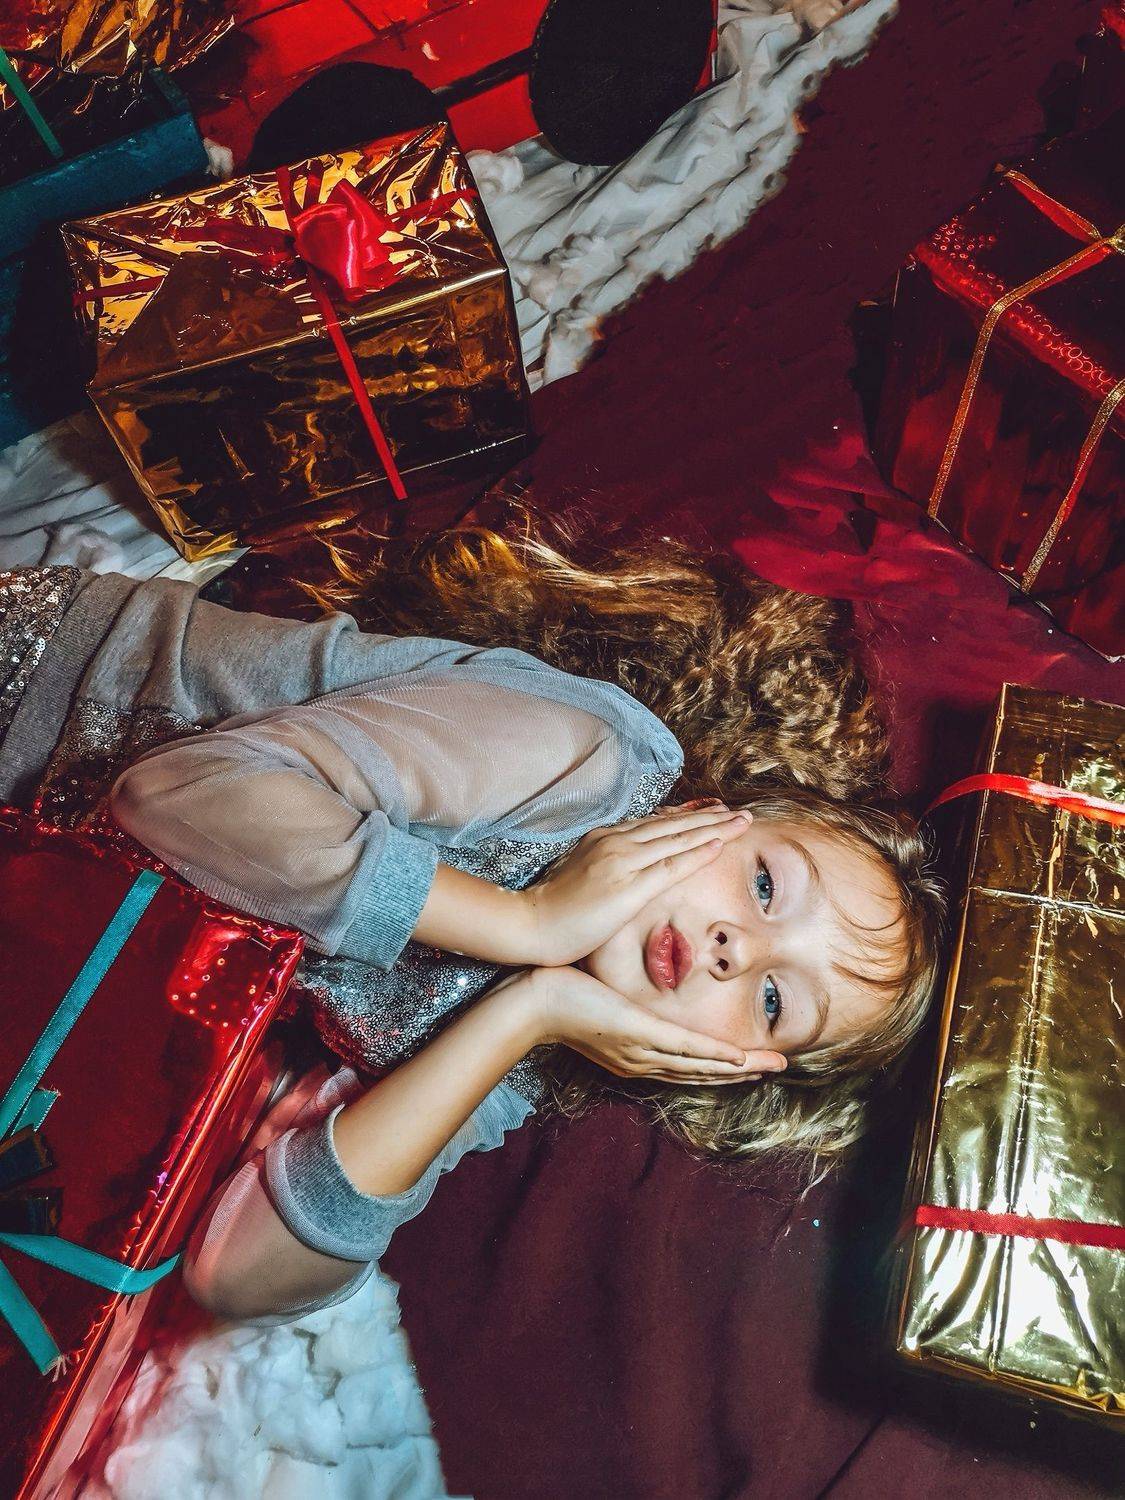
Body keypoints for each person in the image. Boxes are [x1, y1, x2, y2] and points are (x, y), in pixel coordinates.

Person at [0, 502, 944, 1324]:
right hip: (31, 700)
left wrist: (522, 1016)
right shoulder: (583, 758)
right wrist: (526, 925)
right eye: (766, 886)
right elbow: (169, 793)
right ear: (709, 811)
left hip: (41, 895)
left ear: (728, 1067)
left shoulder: (548, 1040)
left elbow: (237, 1277)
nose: (737, 949)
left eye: (773, 1001)